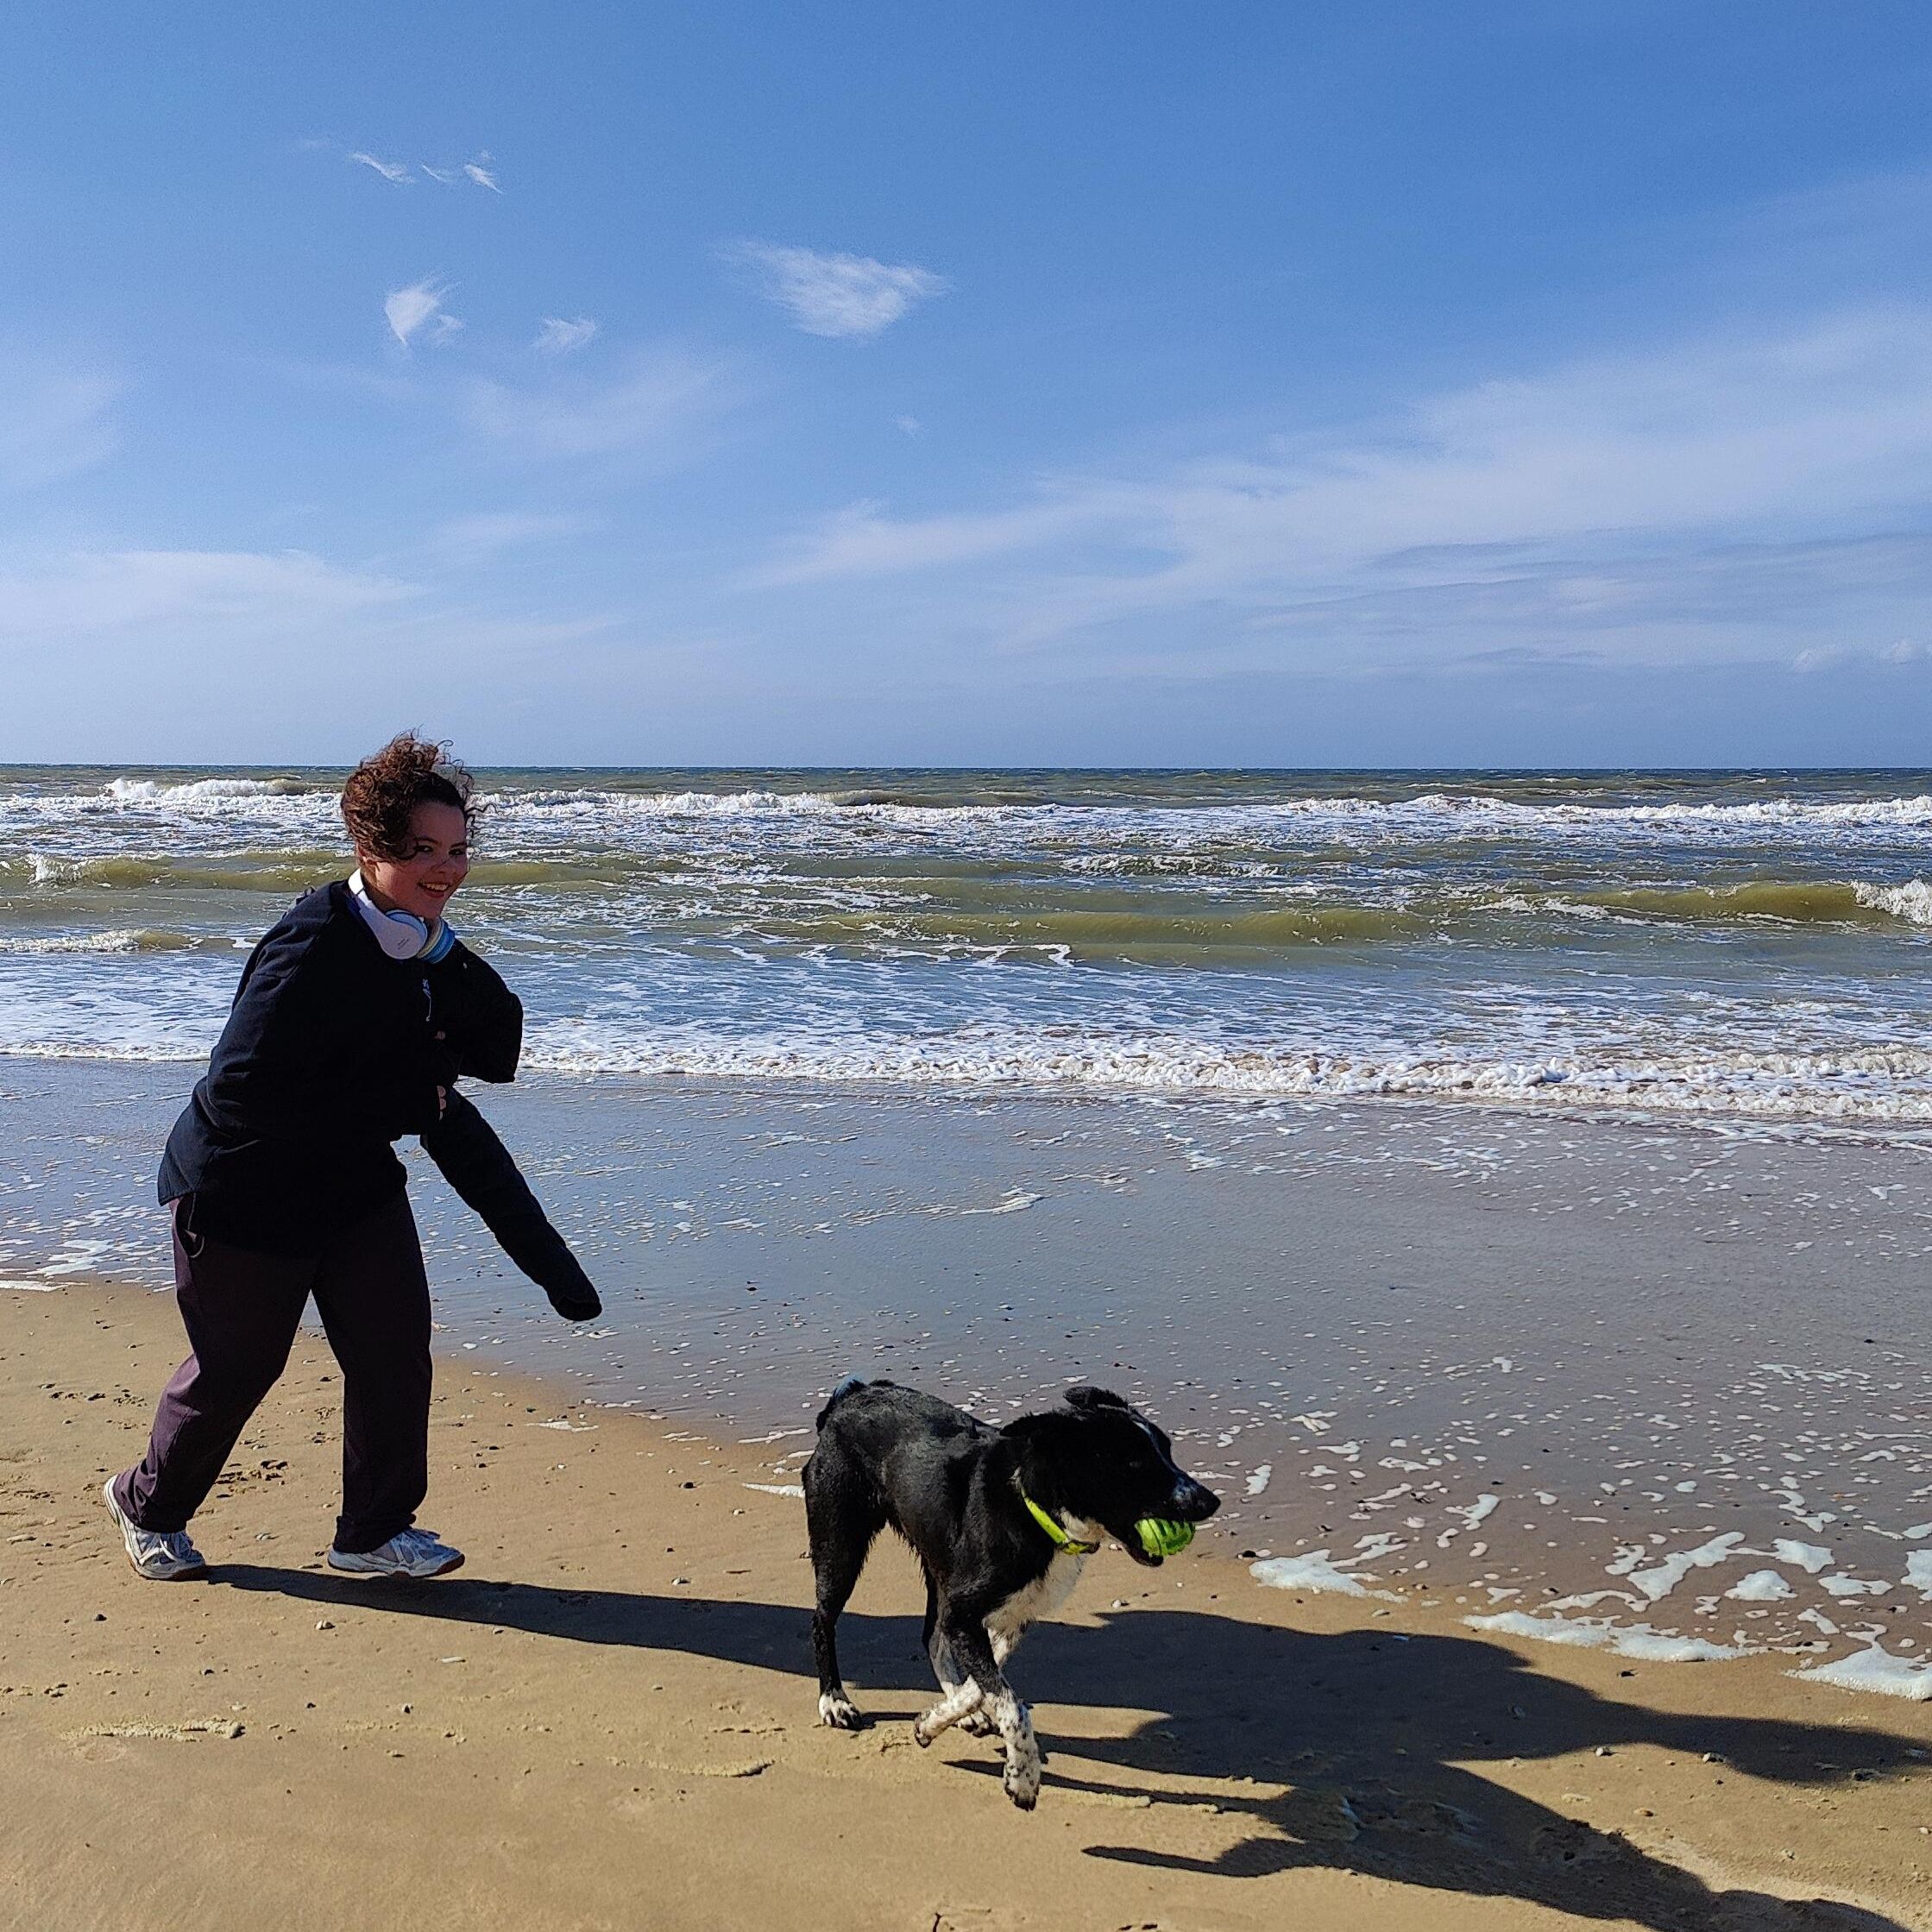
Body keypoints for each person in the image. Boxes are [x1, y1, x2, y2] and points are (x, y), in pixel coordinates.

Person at [105, 733, 601, 1582]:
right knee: (238, 1368)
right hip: (242, 1188)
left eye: (456, 851)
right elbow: (242, 1090)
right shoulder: (311, 949)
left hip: (350, 1182)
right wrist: (403, 1093)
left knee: (393, 1347)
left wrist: (443, 954)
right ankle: (146, 1501)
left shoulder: (417, 942)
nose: (445, 872)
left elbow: (497, 1043)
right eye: (422, 854)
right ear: (371, 850)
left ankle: (371, 1532)